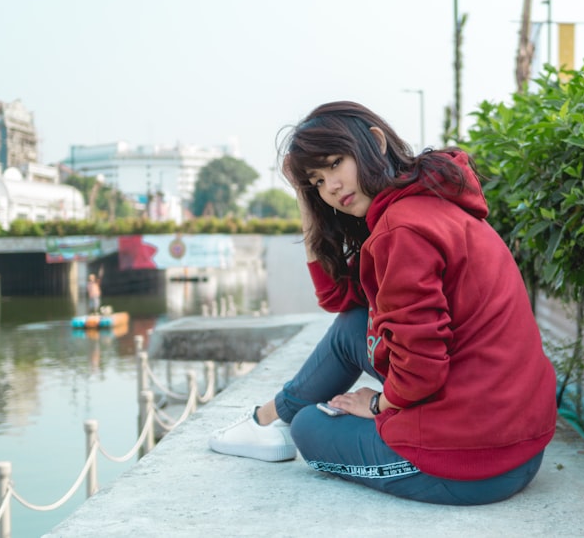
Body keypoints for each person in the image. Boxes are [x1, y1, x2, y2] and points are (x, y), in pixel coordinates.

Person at [208, 101, 557, 505]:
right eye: (318, 182)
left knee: (307, 427)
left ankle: (274, 419)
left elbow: (422, 372)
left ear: (374, 143)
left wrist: (375, 403)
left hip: (468, 464)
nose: (332, 189)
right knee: (353, 327)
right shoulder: (429, 203)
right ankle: (266, 417)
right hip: (519, 446)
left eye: (336, 163)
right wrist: (304, 197)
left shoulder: (400, 230)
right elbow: (339, 298)